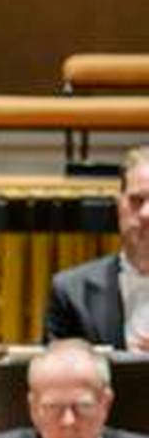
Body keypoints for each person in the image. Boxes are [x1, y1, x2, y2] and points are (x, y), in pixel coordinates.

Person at [42, 146, 149, 349]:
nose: (146, 214)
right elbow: (54, 377)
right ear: (119, 205)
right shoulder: (70, 292)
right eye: (136, 200)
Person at [0, 339, 149, 438]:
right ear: (33, 408)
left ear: (105, 403)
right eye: (53, 407)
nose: (68, 421)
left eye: (83, 407)